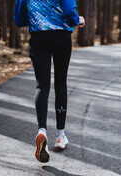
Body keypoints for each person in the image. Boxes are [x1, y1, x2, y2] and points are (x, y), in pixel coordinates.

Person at [14, 0, 85, 163]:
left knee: (42, 86)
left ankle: (42, 131)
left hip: (39, 38)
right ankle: (60, 136)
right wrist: (78, 20)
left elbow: (19, 20)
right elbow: (68, 10)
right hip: (61, 37)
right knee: (60, 83)